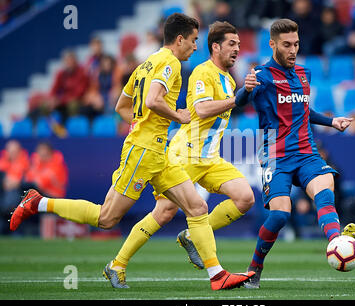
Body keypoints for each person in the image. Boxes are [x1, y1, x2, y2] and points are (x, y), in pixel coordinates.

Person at [9, 13, 254, 291]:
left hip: (158, 150)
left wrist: (143, 126)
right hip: (144, 152)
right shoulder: (170, 63)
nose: (195, 47)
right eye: (194, 40)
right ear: (180, 39)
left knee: (197, 207)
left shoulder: (146, 64)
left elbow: (121, 107)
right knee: (107, 218)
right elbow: (153, 100)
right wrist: (177, 116)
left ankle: (217, 275)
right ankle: (38, 203)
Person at [106, 21, 255, 283]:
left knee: (245, 198)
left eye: (239, 45)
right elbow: (203, 109)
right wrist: (238, 98)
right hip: (185, 153)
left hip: (209, 157)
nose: (237, 50)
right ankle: (118, 264)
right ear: (216, 47)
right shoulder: (201, 72)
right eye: (232, 44)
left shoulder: (229, 79)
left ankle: (191, 235)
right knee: (163, 212)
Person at [235, 18, 355, 289]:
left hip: (306, 151)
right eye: (286, 45)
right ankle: (255, 267)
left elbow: (303, 110)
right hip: (275, 155)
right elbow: (239, 102)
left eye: (296, 44)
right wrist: (246, 88)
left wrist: (331, 121)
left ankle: (336, 241)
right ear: (273, 44)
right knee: (280, 215)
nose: (293, 50)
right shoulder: (263, 76)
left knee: (326, 186)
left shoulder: (304, 74)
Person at [0, 140, 29, 232]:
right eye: (10, 151)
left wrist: (14, 183)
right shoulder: (3, 162)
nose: (12, 153)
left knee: (13, 192)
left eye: (14, 151)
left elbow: (26, 180)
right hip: (3, 192)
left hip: (19, 194)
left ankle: (8, 208)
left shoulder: (25, 162)